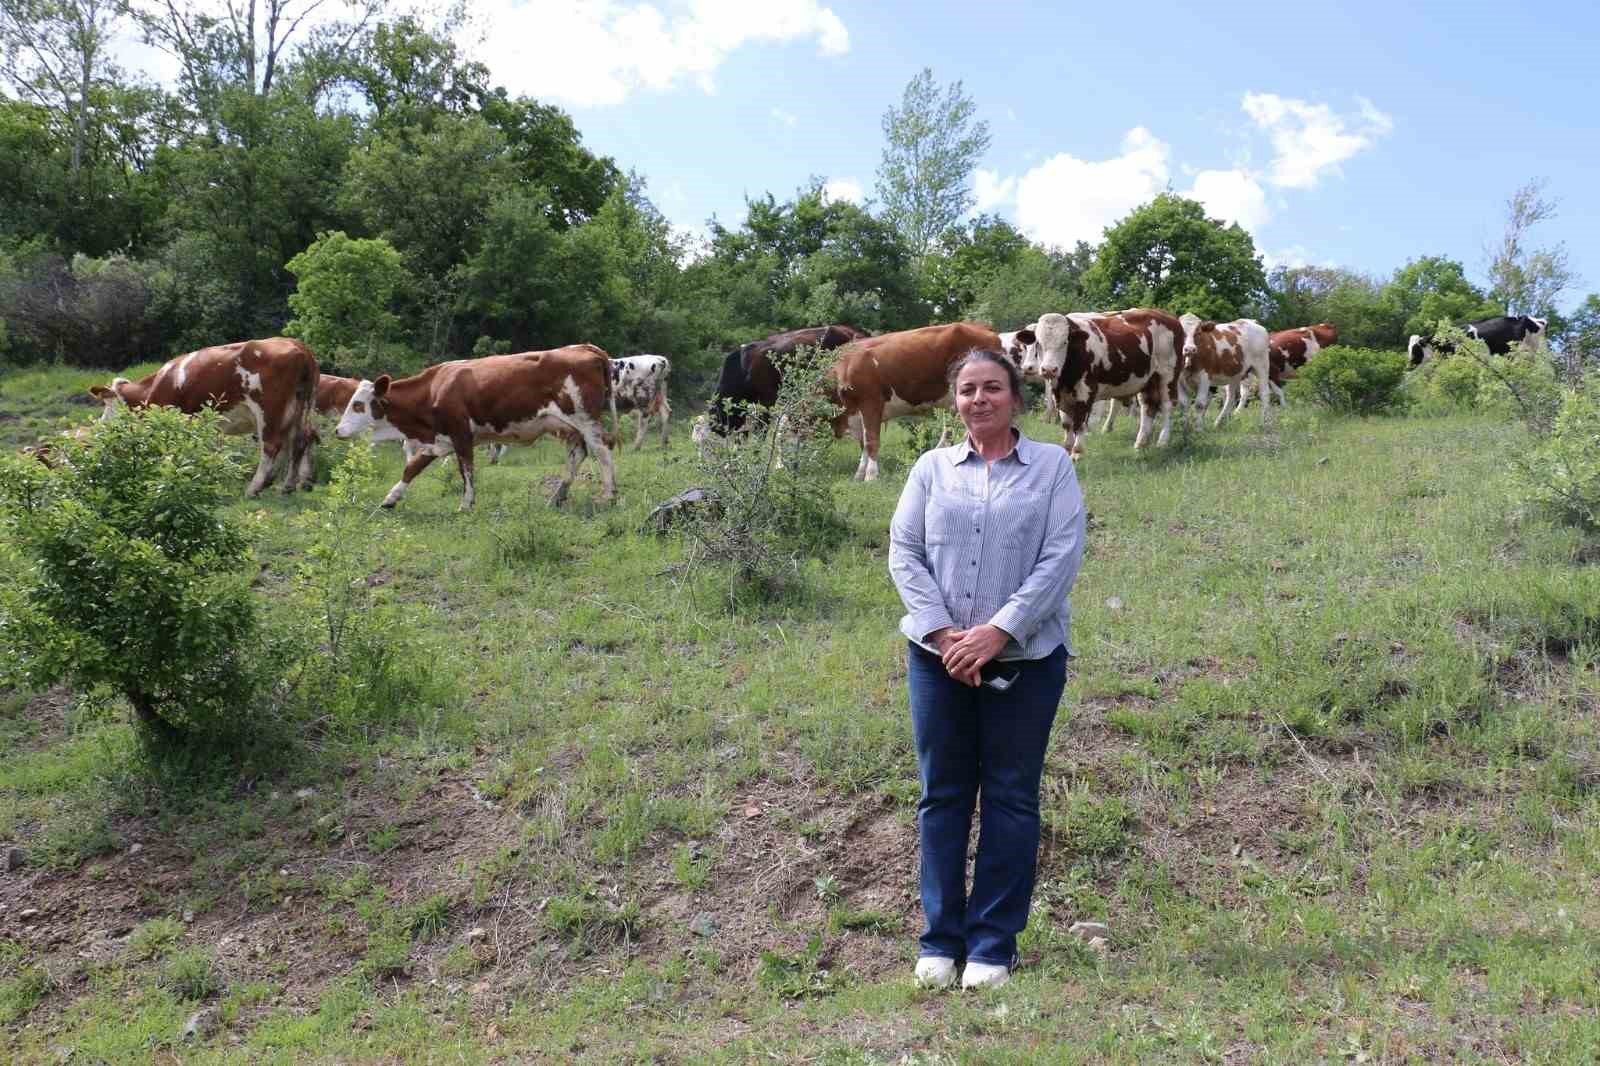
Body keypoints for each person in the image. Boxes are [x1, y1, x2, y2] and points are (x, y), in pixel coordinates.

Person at [887, 348, 1087, 991]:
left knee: (1009, 797)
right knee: (942, 796)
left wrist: (999, 631)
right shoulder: (929, 468)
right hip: (936, 658)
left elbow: (1061, 555)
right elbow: (904, 552)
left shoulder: (1053, 466)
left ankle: (993, 947)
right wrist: (947, 635)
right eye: (968, 389)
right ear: (954, 400)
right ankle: (940, 942)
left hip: (1026, 660)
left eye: (993, 388)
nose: (980, 399)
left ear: (1016, 398)